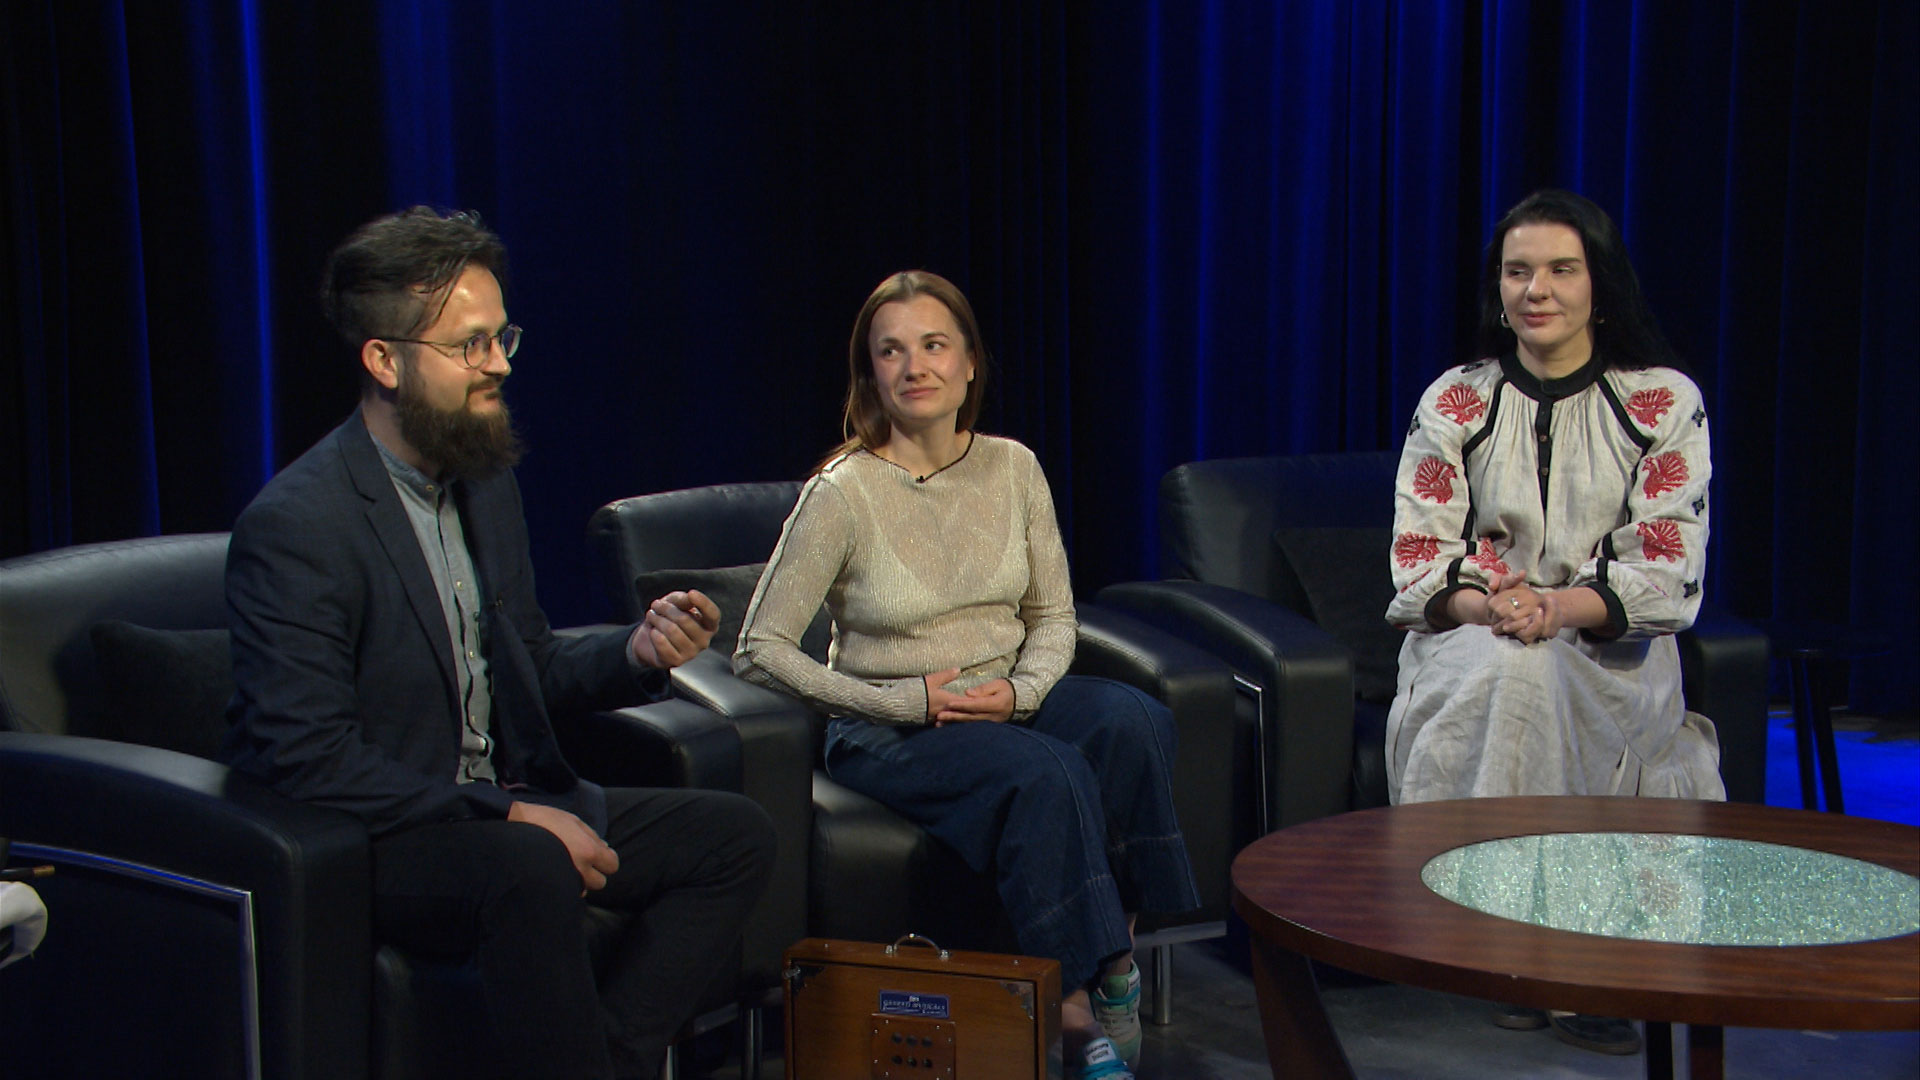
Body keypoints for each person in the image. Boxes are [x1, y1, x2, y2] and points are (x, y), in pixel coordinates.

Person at [223, 207, 775, 1080]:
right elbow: (306, 755)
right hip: (381, 834)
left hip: (500, 805)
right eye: (471, 346)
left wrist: (639, 652)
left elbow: (531, 662)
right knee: (528, 865)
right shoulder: (299, 525)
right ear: (384, 360)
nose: (501, 364)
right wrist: (509, 813)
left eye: (501, 337)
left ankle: (609, 1062)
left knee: (735, 836)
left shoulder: (483, 484)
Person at [733, 270, 1199, 1080]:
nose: (915, 366)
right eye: (893, 351)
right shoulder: (840, 493)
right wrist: (900, 698)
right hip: (886, 723)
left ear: (970, 362)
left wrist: (1020, 693)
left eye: (934, 345)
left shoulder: (1014, 468)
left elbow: (1054, 617)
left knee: (1134, 719)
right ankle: (1077, 1014)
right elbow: (759, 648)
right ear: (871, 373)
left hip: (1000, 695)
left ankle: (1115, 953)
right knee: (1046, 770)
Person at [1384, 189, 1723, 1054]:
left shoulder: (1662, 402)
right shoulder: (1455, 401)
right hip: (1472, 643)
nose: (1537, 289)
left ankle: (1533, 953)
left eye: (1561, 270)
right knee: (1512, 669)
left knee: (1536, 668)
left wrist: (1557, 609)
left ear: (1598, 285)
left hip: (1611, 658)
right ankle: (1540, 954)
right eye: (1518, 270)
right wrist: (1494, 606)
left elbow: (1667, 565)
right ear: (1498, 288)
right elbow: (1420, 561)